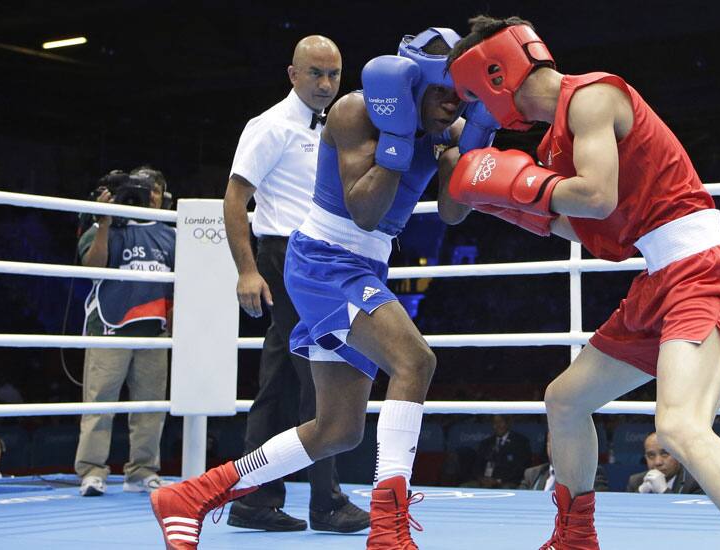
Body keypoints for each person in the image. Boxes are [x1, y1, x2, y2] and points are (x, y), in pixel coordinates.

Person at [445, 16, 720, 549]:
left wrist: (517, 183)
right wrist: (504, 201)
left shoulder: (592, 97)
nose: (478, 110)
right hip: (658, 279)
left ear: (495, 76)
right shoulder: (557, 147)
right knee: (565, 400)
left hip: (701, 270)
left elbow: (595, 198)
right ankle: (575, 538)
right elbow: (596, 236)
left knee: (679, 426)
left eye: (473, 96)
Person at [152, 27, 498, 549]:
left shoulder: (445, 125)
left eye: (462, 95)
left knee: (338, 429)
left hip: (365, 268)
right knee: (415, 362)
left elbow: (452, 214)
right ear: (414, 84)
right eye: (445, 90)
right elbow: (364, 210)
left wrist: (474, 149)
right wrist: (400, 142)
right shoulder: (353, 113)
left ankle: (194, 495)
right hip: (323, 261)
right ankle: (389, 528)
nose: (454, 103)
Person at [223, 34, 368, 534]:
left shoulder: (340, 125)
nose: (327, 84)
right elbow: (234, 199)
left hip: (319, 258)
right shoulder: (269, 126)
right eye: (316, 74)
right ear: (293, 74)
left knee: (280, 381)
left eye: (334, 74)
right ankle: (325, 502)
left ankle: (254, 499)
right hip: (287, 257)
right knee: (321, 373)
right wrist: (246, 269)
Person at [75, 168, 174, 497]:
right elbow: (92, 269)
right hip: (109, 327)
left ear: (163, 198)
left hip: (154, 331)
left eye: (156, 192)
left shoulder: (169, 235)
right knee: (99, 403)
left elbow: (180, 287)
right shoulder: (107, 224)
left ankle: (142, 471)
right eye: (145, 190)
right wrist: (103, 221)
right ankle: (91, 470)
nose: (151, 197)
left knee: (150, 406)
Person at [522, 431, 609, 491]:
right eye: (552, 441)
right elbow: (517, 501)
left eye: (562, 441)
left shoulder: (590, 473)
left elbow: (602, 502)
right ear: (547, 445)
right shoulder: (533, 474)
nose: (557, 446)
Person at [464, 414, 531, 489]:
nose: (497, 425)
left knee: (506, 488)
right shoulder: (486, 443)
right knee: (466, 487)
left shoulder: (520, 442)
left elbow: (520, 468)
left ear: (508, 423)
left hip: (506, 482)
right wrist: (481, 479)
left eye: (500, 422)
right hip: (484, 482)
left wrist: (498, 480)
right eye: (494, 423)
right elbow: (477, 466)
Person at [626, 432, 702, 494]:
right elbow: (624, 511)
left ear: (679, 455)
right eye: (651, 455)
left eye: (665, 454)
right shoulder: (636, 481)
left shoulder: (696, 483)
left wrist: (664, 491)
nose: (658, 462)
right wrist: (639, 493)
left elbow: (689, 512)